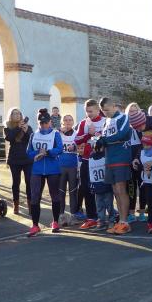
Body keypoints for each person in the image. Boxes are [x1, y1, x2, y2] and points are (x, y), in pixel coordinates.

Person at [95, 98, 135, 235]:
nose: (105, 113)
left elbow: (122, 134)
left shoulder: (123, 117)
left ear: (113, 106)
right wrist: (99, 142)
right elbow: (106, 137)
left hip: (121, 158)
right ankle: (120, 222)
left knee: (121, 189)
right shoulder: (106, 121)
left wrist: (104, 140)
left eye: (107, 110)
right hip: (109, 159)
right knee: (115, 191)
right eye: (103, 111)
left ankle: (125, 222)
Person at [26, 108, 64, 236]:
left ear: (50, 122)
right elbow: (28, 152)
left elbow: (59, 149)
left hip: (52, 168)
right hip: (37, 170)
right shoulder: (33, 135)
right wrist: (38, 152)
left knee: (54, 195)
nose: (43, 125)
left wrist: (47, 152)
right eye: (41, 123)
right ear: (38, 123)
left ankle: (55, 222)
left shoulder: (55, 134)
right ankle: (35, 225)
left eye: (45, 123)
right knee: (35, 196)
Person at [75, 99, 105, 229]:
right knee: (86, 188)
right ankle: (91, 217)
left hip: (102, 160)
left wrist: (97, 135)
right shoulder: (84, 122)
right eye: (87, 111)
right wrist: (89, 134)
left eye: (91, 111)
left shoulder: (105, 121)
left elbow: (107, 139)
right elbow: (77, 140)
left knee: (104, 189)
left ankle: (105, 217)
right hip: (87, 160)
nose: (89, 114)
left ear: (98, 110)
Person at [3, 108, 33, 215]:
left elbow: (32, 139)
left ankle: (30, 205)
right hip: (14, 159)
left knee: (29, 182)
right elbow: (9, 138)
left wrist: (26, 131)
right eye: (14, 114)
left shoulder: (28, 126)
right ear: (11, 116)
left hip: (27, 158)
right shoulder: (7, 127)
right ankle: (16, 205)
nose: (17, 115)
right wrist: (18, 127)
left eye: (19, 114)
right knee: (16, 183)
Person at [57, 114, 79, 222]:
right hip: (61, 166)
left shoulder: (76, 133)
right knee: (61, 191)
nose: (68, 122)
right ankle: (61, 215)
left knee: (73, 191)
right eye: (65, 120)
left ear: (73, 122)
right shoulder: (58, 134)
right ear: (62, 122)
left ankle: (73, 215)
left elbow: (81, 146)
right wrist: (58, 129)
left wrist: (75, 147)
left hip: (73, 166)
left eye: (70, 120)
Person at [88, 151, 115, 231]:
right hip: (97, 186)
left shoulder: (105, 157)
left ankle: (111, 221)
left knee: (109, 205)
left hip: (106, 186)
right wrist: (91, 185)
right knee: (99, 206)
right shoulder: (91, 159)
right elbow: (90, 173)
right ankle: (101, 222)